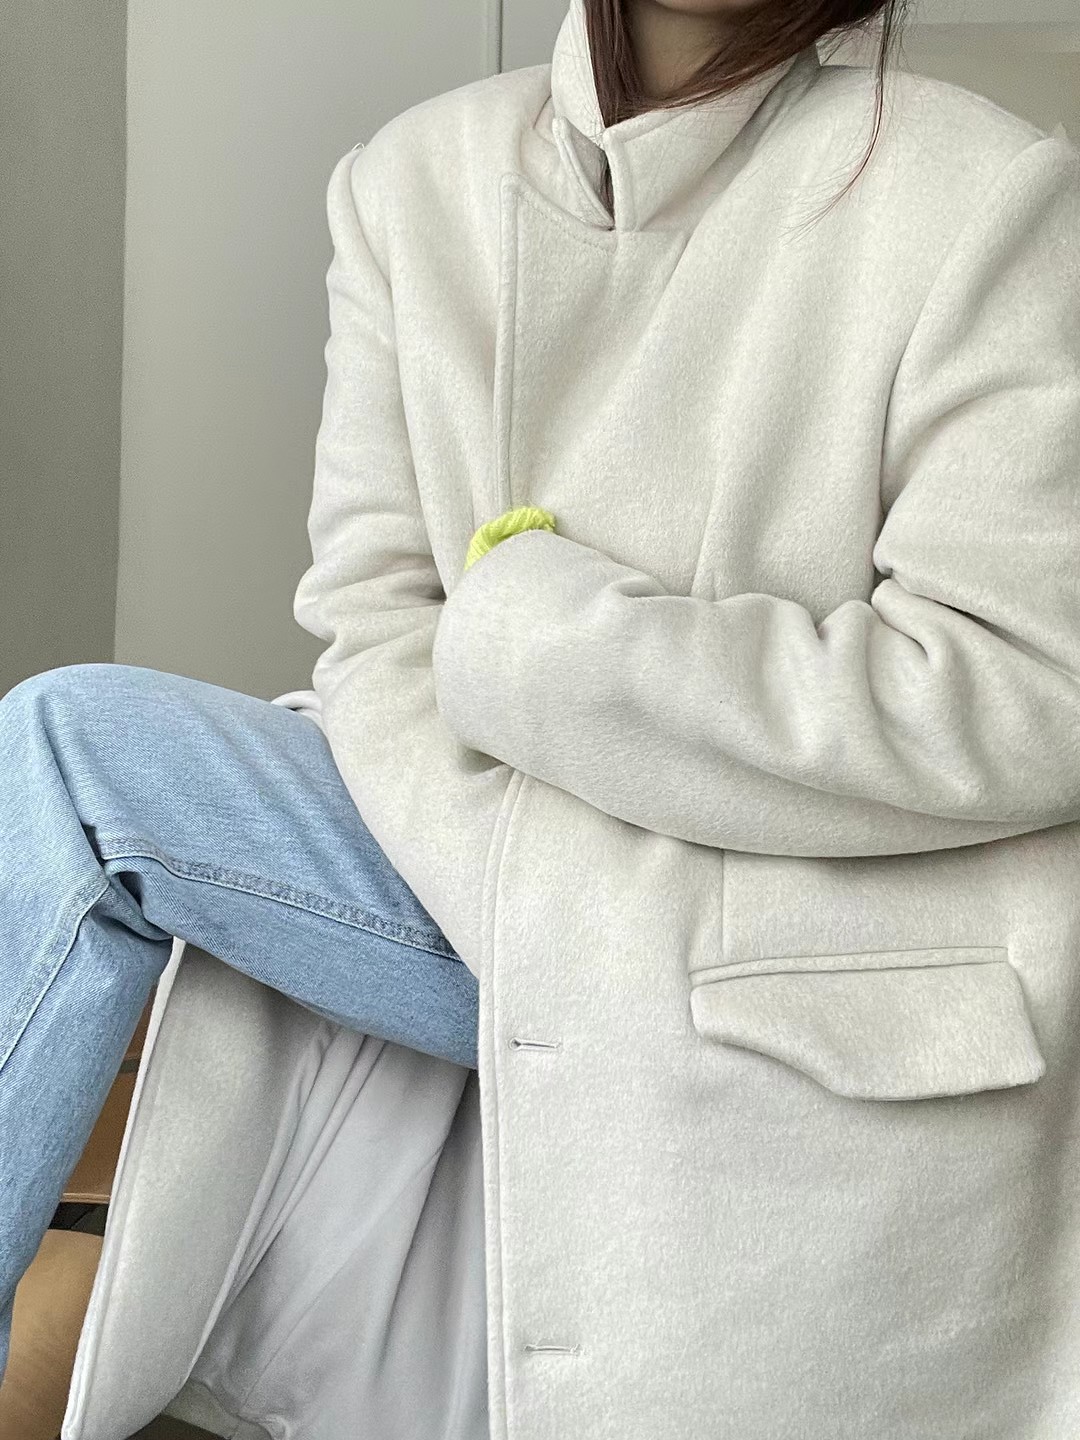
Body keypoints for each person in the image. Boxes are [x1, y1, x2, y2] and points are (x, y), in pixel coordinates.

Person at [3, 0, 1080, 1429]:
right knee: (71, 748)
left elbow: (1023, 691)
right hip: (466, 873)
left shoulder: (984, 191)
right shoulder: (411, 182)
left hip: (787, 924)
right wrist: (522, 880)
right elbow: (376, 623)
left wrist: (541, 641)